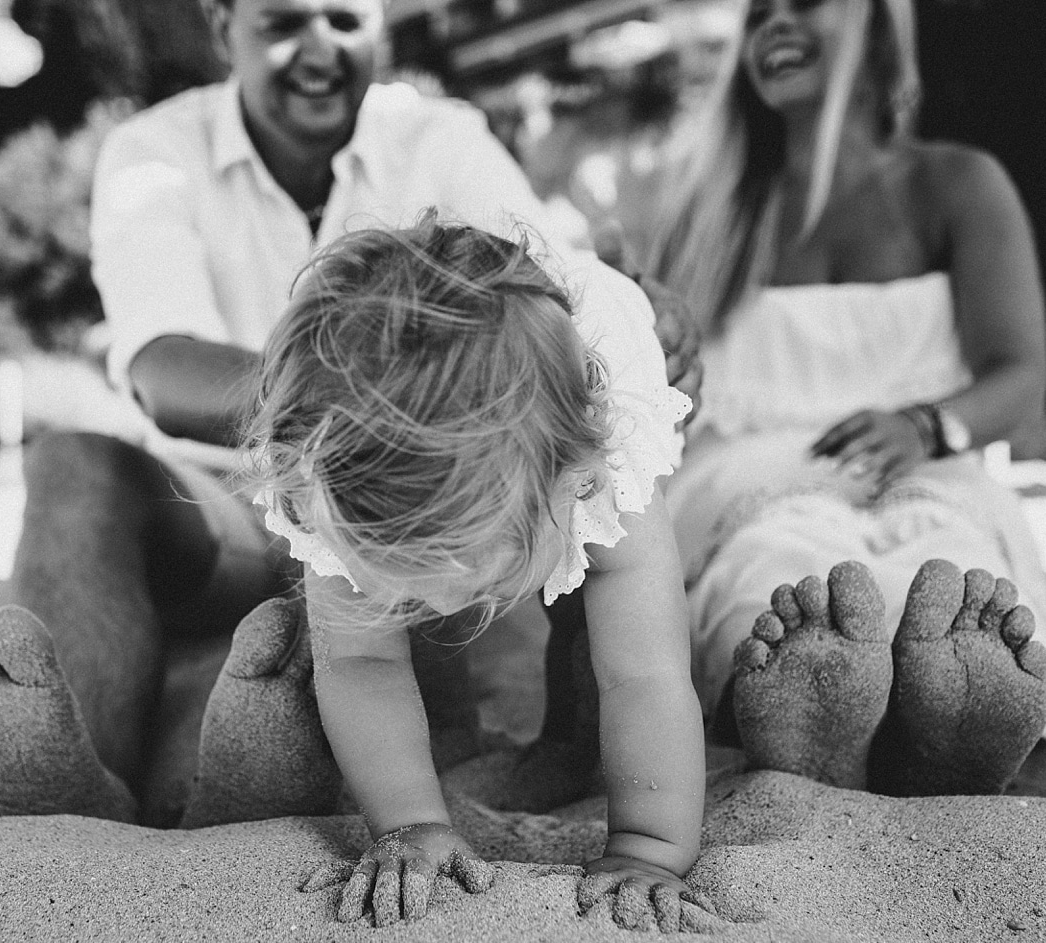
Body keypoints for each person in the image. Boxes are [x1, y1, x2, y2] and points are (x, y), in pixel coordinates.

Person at [0, 0, 695, 837]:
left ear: (379, 28)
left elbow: (538, 282)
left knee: (539, 523)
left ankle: (510, 747)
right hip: (241, 489)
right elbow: (159, 369)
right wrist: (352, 421)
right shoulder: (153, 152)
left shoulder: (442, 137)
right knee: (73, 464)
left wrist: (455, 418)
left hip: (452, 489)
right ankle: (68, 778)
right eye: (285, 21)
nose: (318, 46)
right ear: (223, 28)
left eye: (344, 20)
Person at [633, 0, 1046, 794]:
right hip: (750, 489)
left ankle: (938, 721)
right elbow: (656, 386)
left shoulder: (955, 182)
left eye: (803, 4)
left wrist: (927, 424)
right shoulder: (698, 214)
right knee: (774, 574)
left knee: (947, 565)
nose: (775, 25)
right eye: (759, 15)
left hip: (927, 472)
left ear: (880, 26)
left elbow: (1020, 374)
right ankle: (825, 715)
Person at [244, 214, 716, 929]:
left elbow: (646, 673)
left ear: (575, 483)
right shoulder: (334, 473)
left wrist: (650, 847)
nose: (441, 606)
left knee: (603, 630)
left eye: (476, 583)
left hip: (601, 335)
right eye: (402, 584)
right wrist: (410, 821)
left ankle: (568, 732)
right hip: (430, 351)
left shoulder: (604, 460)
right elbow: (360, 663)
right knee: (378, 639)